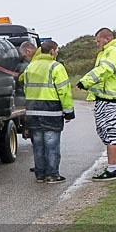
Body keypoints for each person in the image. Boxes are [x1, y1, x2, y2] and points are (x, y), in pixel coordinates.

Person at [77, 28, 116, 181]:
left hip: (112, 99)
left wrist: (86, 81)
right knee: (104, 131)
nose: (97, 44)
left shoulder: (113, 51)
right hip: (104, 99)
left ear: (106, 39)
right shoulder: (106, 52)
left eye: (98, 41)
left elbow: (106, 69)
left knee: (113, 133)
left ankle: (113, 169)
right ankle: (112, 166)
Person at [19, 40, 75, 183]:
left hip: (33, 113)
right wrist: (68, 112)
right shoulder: (56, 67)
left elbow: (25, 88)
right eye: (57, 51)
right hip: (51, 112)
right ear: (52, 51)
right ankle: (52, 175)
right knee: (51, 146)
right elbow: (64, 91)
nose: (57, 53)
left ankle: (40, 175)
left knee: (38, 146)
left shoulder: (30, 67)